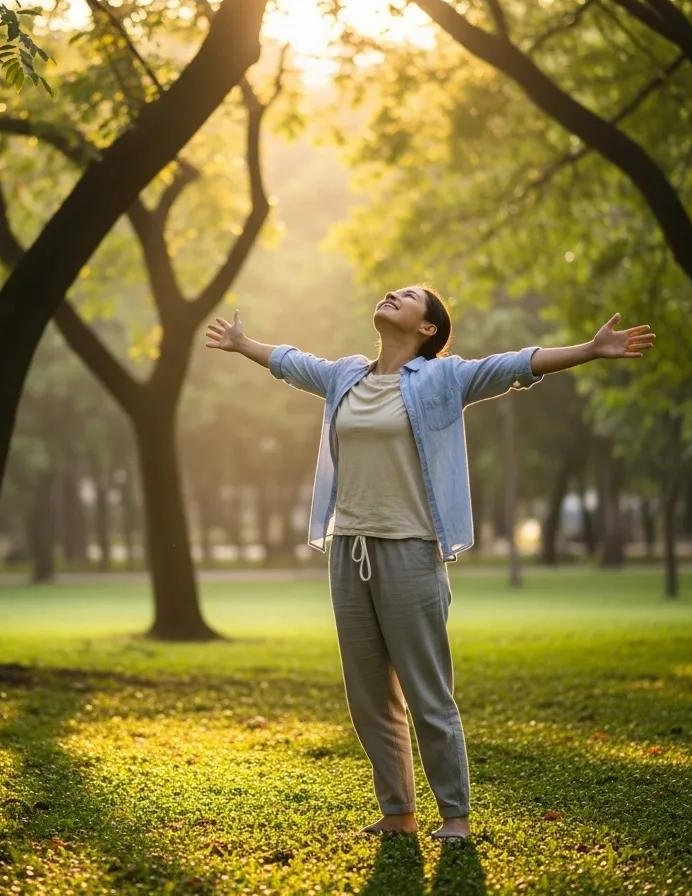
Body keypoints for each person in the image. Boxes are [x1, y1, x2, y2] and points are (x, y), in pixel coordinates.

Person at [205, 286, 655, 841]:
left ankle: (455, 816)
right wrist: (244, 343)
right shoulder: (346, 375)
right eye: (395, 290)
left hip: (411, 550)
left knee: (427, 691)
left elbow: (515, 365)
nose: (394, 294)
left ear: (427, 330)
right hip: (349, 549)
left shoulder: (444, 379)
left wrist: (588, 349)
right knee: (368, 694)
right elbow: (294, 363)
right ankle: (398, 813)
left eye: (411, 296)